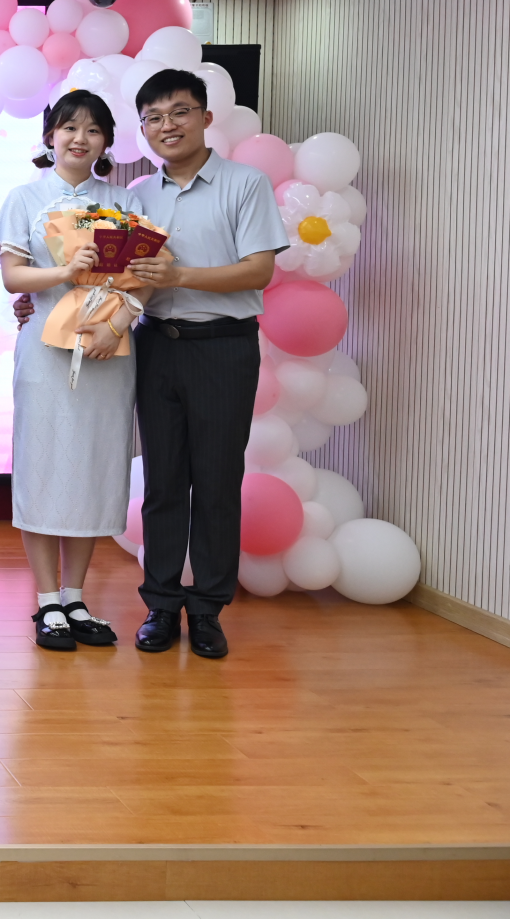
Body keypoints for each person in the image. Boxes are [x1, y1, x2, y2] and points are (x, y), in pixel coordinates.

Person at [125, 68, 287, 660]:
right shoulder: (137, 195)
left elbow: (258, 270)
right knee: (163, 481)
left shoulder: (245, 184)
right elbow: (118, 274)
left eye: (179, 112)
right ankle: (161, 604)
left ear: (205, 117)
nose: (167, 126)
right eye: (154, 117)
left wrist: (180, 275)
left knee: (217, 482)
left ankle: (209, 608)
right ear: (143, 129)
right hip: (155, 345)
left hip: (223, 346)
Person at [0, 91, 148, 651]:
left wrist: (120, 322)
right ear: (49, 137)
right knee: (43, 463)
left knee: (92, 465)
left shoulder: (124, 202)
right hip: (45, 350)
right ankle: (46, 601)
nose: (80, 139)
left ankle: (75, 596)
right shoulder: (24, 198)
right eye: (69, 128)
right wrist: (65, 269)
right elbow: (13, 277)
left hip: (107, 348)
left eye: (93, 130)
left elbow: (145, 274)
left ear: (107, 142)